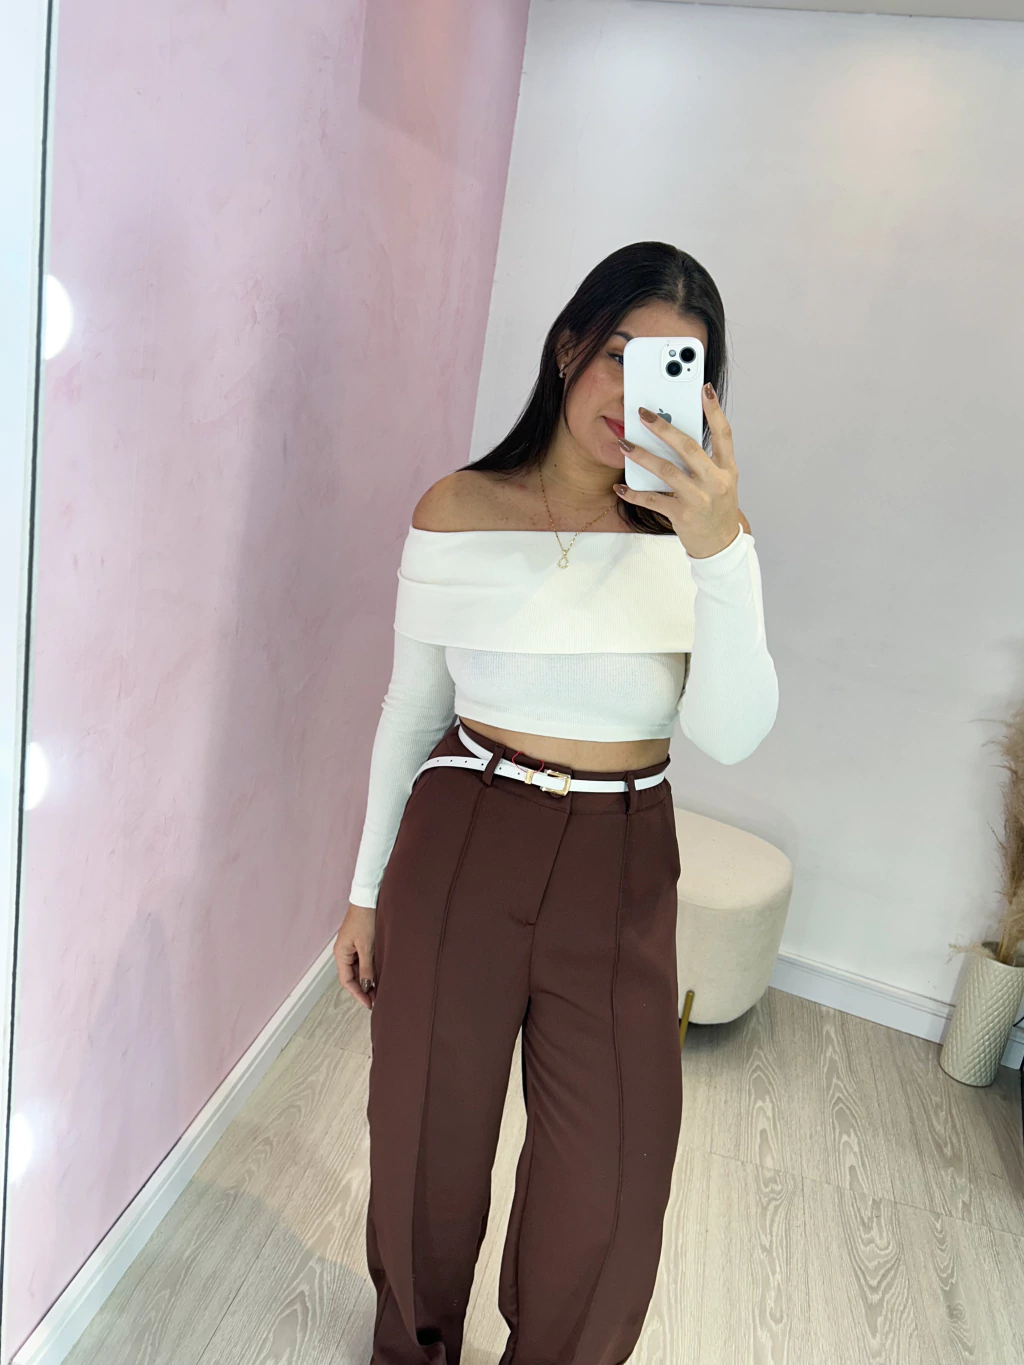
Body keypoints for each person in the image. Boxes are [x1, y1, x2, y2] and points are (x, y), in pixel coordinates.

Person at [334, 241, 779, 1365]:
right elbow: (409, 709)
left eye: (673, 368)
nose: (633, 392)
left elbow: (731, 732)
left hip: (621, 862)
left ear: (705, 396)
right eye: (619, 353)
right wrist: (364, 892)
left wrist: (719, 548)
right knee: (426, 1144)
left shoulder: (705, 549)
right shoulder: (457, 508)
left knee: (614, 1183)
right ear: (569, 346)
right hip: (464, 832)